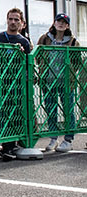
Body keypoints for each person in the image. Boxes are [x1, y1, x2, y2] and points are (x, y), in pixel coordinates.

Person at [0, 7, 31, 161]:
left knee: (16, 113)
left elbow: (29, 65)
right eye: (10, 19)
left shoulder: (24, 42)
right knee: (2, 113)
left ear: (22, 23)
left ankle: (13, 144)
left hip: (17, 85)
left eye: (16, 20)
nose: (12, 22)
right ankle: (7, 145)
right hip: (0, 83)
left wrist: (21, 54)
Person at [36, 13, 79, 153]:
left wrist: (70, 73)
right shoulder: (44, 39)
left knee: (68, 110)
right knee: (50, 110)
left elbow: (77, 61)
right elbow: (38, 56)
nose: (60, 24)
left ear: (67, 26)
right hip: (48, 81)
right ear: (54, 23)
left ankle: (68, 139)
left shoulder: (72, 42)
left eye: (64, 22)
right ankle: (53, 138)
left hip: (66, 82)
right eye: (58, 21)